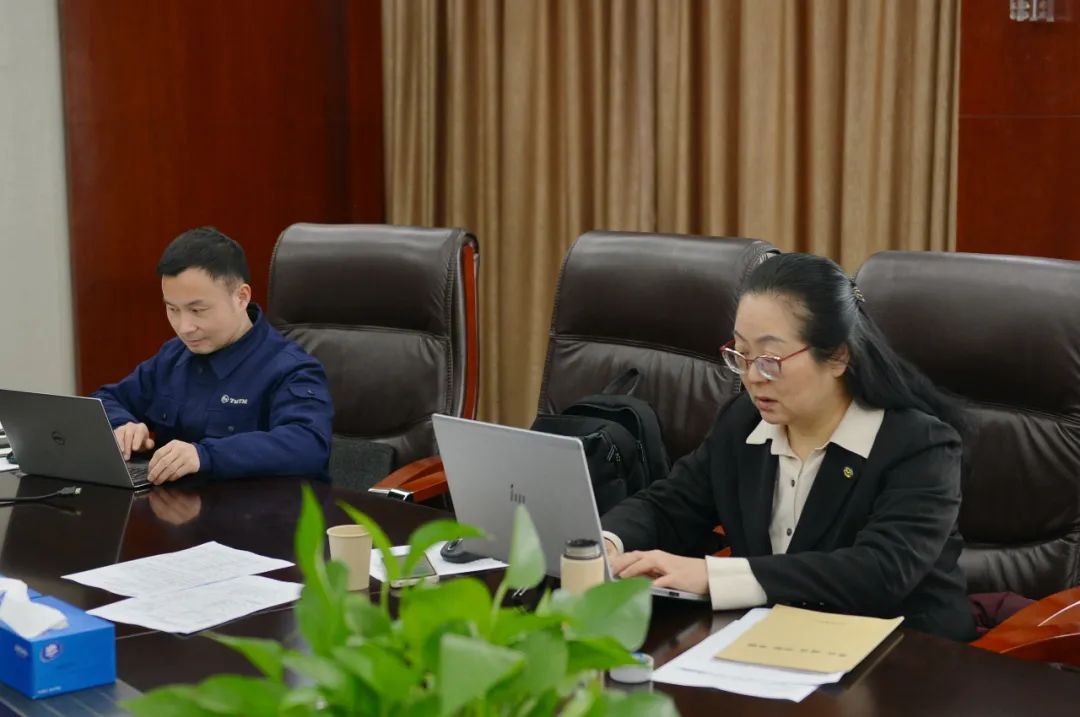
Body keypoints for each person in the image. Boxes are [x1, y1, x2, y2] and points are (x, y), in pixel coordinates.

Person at [602, 252, 976, 641]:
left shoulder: (921, 447)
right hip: (776, 642)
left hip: (906, 653)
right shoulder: (743, 423)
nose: (752, 377)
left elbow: (880, 572)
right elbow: (669, 505)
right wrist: (607, 543)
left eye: (769, 359)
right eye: (741, 355)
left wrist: (714, 576)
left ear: (838, 356)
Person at [92, 227, 333, 484]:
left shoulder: (290, 368)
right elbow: (104, 400)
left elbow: (308, 445)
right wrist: (123, 426)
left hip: (255, 506)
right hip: (175, 503)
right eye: (172, 309)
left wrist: (206, 456)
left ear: (241, 297)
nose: (184, 327)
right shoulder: (174, 356)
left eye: (197, 310)